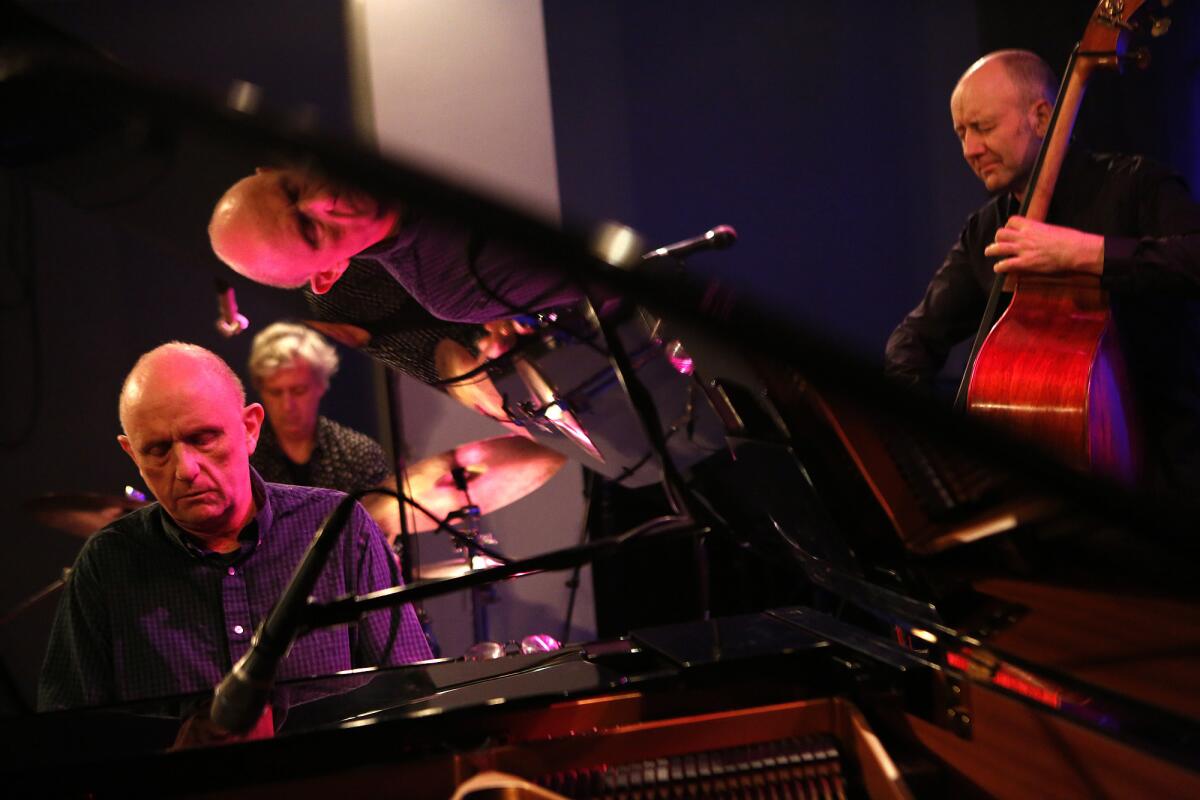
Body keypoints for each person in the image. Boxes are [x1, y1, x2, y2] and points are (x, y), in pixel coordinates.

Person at [38, 343, 431, 711]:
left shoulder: (338, 528)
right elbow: (70, 739)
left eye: (203, 438)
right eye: (157, 450)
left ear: (250, 428)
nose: (185, 470)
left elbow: (413, 696)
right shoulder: (107, 564)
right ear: (131, 453)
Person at [884, 49, 1200, 493]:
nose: (970, 149)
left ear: (1042, 115)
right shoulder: (989, 230)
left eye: (984, 127)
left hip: (1171, 482)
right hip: (1052, 497)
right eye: (961, 133)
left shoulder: (1135, 185)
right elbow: (912, 342)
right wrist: (940, 445)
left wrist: (1089, 253)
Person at [208, 166, 580, 324]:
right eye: (310, 229)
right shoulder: (453, 289)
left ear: (272, 169)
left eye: (292, 188)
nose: (323, 199)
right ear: (329, 272)